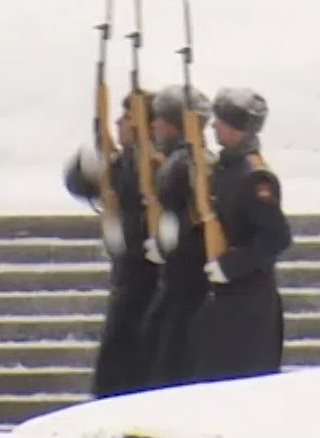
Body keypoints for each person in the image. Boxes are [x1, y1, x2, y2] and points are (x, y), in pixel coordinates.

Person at [185, 88, 290, 381]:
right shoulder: (225, 169)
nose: (214, 126)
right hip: (225, 300)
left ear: (239, 130)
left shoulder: (255, 177)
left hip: (249, 304)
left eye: (221, 121)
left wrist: (230, 265)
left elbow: (276, 238)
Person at [64, 97, 162, 397]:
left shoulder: (155, 167)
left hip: (147, 278)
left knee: (132, 365)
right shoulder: (123, 163)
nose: (119, 123)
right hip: (126, 275)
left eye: (127, 118)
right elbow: (81, 185)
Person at [141, 84, 213, 387]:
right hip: (178, 278)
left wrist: (170, 240)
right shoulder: (180, 160)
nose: (154, 125)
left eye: (161, 119)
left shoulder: (186, 163)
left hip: (186, 280)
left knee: (170, 361)